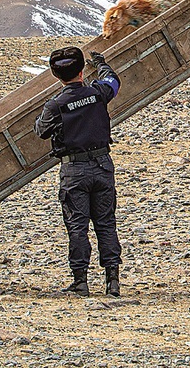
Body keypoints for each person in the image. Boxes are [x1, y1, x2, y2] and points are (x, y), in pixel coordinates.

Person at [34, 46, 122, 297]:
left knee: (77, 226)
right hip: (102, 164)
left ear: (56, 75)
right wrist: (102, 64)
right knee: (106, 223)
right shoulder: (97, 93)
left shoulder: (56, 105)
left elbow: (40, 131)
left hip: (74, 169)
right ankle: (112, 281)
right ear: (83, 70)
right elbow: (113, 81)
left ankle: (80, 281)